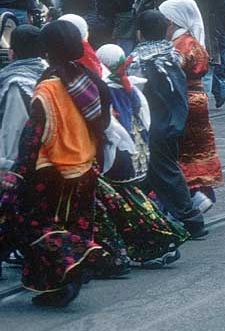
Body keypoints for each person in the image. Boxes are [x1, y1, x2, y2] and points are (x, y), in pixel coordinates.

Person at [1, 21, 110, 306]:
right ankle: (62, 283)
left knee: (37, 225)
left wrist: (17, 173)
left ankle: (77, 260)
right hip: (85, 165)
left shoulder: (48, 86)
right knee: (75, 222)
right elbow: (104, 122)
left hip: (52, 171)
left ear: (47, 50)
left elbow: (34, 134)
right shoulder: (88, 78)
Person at [92, 43, 188, 269]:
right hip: (137, 157)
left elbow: (110, 127)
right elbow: (145, 119)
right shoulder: (130, 86)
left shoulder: (104, 88)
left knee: (128, 205)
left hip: (118, 159)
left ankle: (161, 240)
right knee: (133, 201)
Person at [128, 10, 206, 239]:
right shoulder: (173, 53)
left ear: (139, 34)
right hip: (175, 121)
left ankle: (192, 220)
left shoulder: (137, 61)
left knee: (163, 173)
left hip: (153, 127)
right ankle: (147, 217)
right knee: (157, 173)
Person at [158, 0, 224, 213]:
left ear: (172, 21)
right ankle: (200, 194)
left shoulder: (181, 45)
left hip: (183, 101)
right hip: (196, 99)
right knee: (196, 149)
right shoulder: (191, 41)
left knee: (182, 151)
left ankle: (194, 196)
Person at [0, 25, 45, 169]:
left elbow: (13, 128)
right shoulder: (48, 71)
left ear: (11, 53)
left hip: (24, 162)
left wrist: (6, 167)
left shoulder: (16, 83)